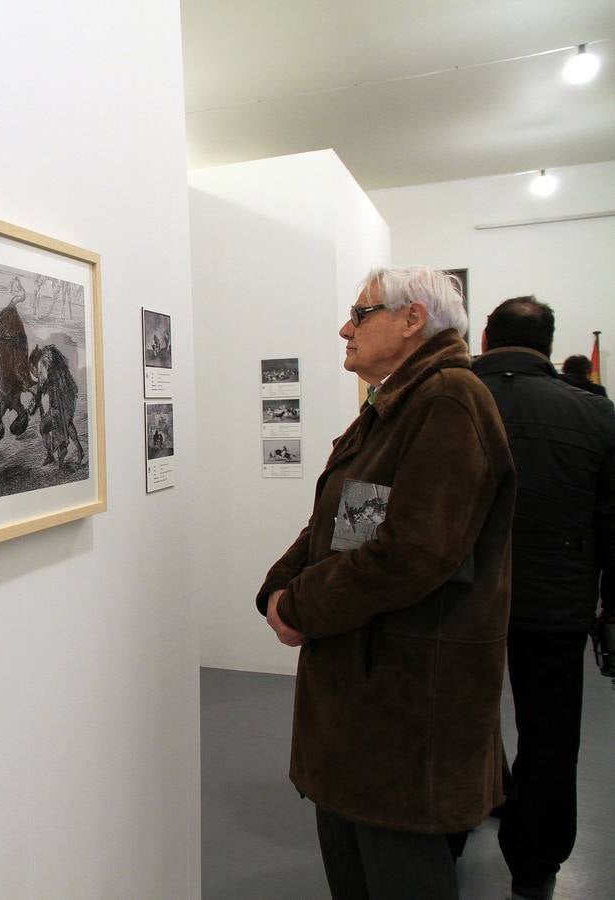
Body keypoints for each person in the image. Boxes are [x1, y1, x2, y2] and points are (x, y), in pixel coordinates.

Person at [256, 266, 515, 899]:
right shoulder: (400, 404)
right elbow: (352, 523)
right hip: (367, 694)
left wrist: (301, 605)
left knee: (397, 872)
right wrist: (279, 589)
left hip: (406, 699)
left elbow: (410, 555)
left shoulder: (448, 401)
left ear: (411, 320)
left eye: (360, 312)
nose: (345, 328)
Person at [474, 297, 615, 900]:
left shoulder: (436, 397)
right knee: (551, 737)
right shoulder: (595, 414)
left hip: (454, 600)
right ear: (550, 345)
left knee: (450, 720)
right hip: (554, 602)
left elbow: (371, 498)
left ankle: (442, 835)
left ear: (484, 336)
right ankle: (535, 868)